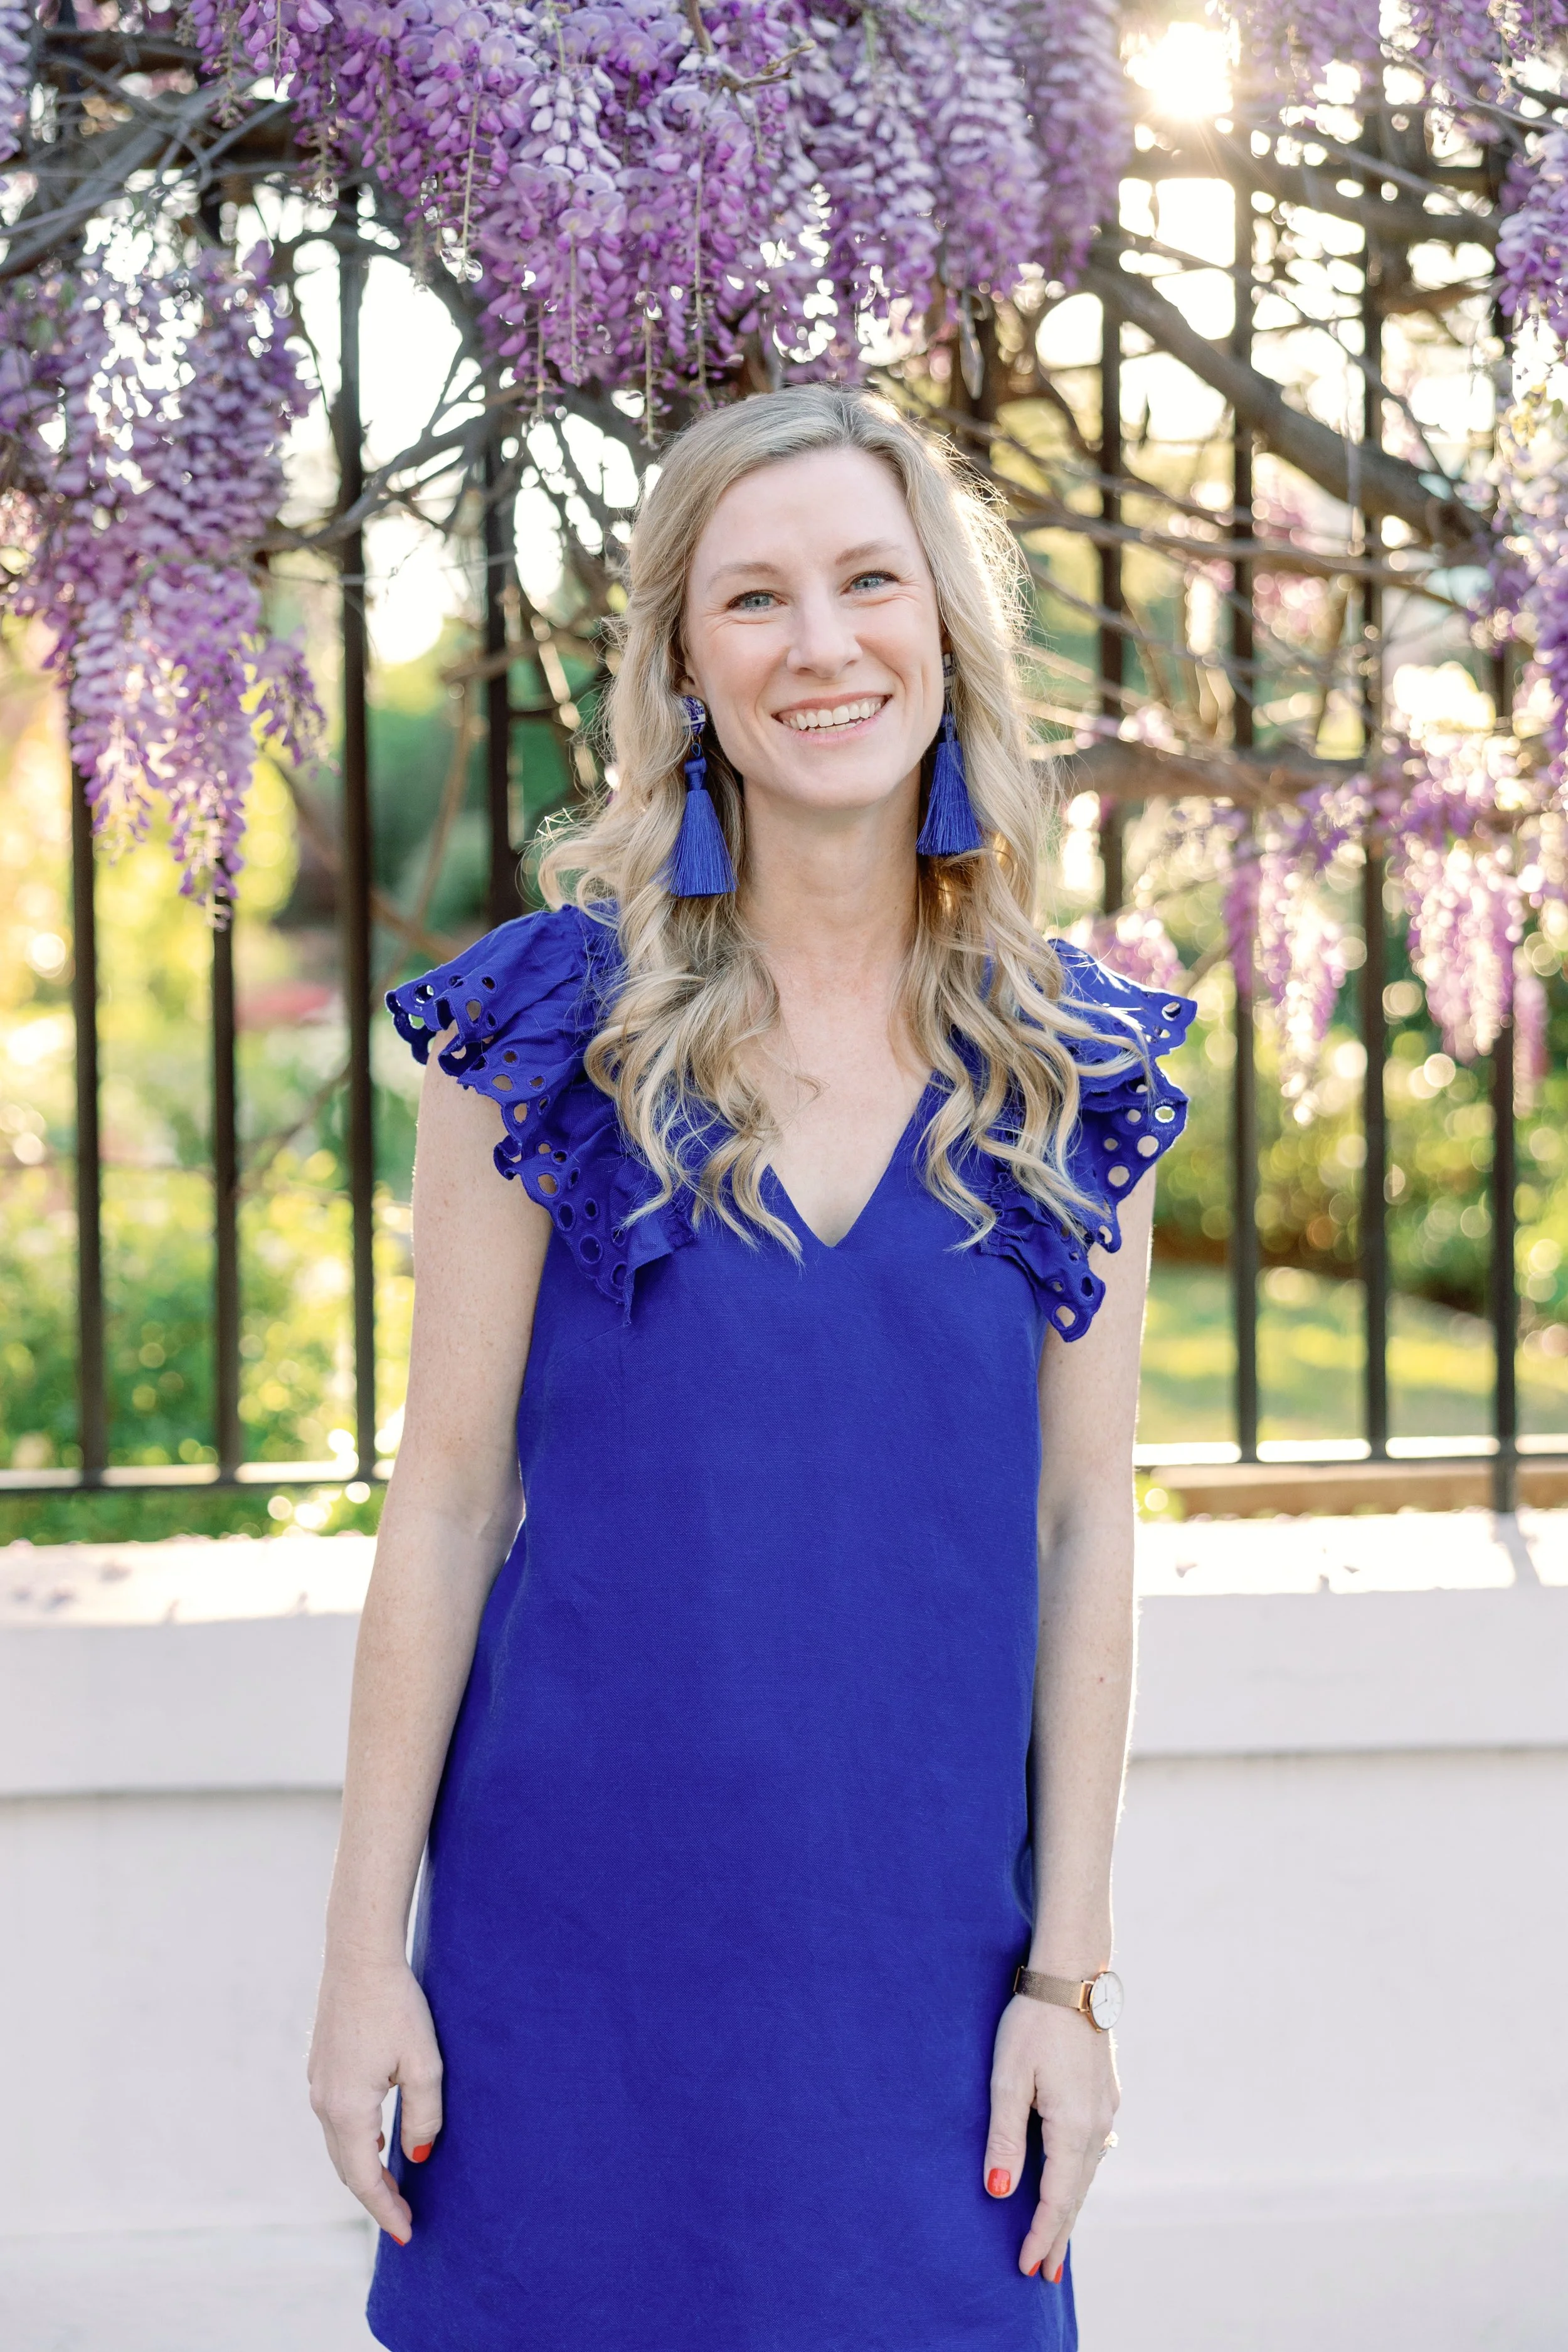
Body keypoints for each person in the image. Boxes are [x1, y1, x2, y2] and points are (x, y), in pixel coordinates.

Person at [308, 384, 1192, 2352]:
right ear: (684, 666)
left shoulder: (1078, 1060)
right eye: (756, 599)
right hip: (579, 1962)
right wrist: (363, 1955)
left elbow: (1081, 1530)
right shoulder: (546, 1030)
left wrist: (1068, 1986)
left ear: (945, 629)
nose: (822, 645)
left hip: (924, 1986)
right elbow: (446, 1504)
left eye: (870, 581)